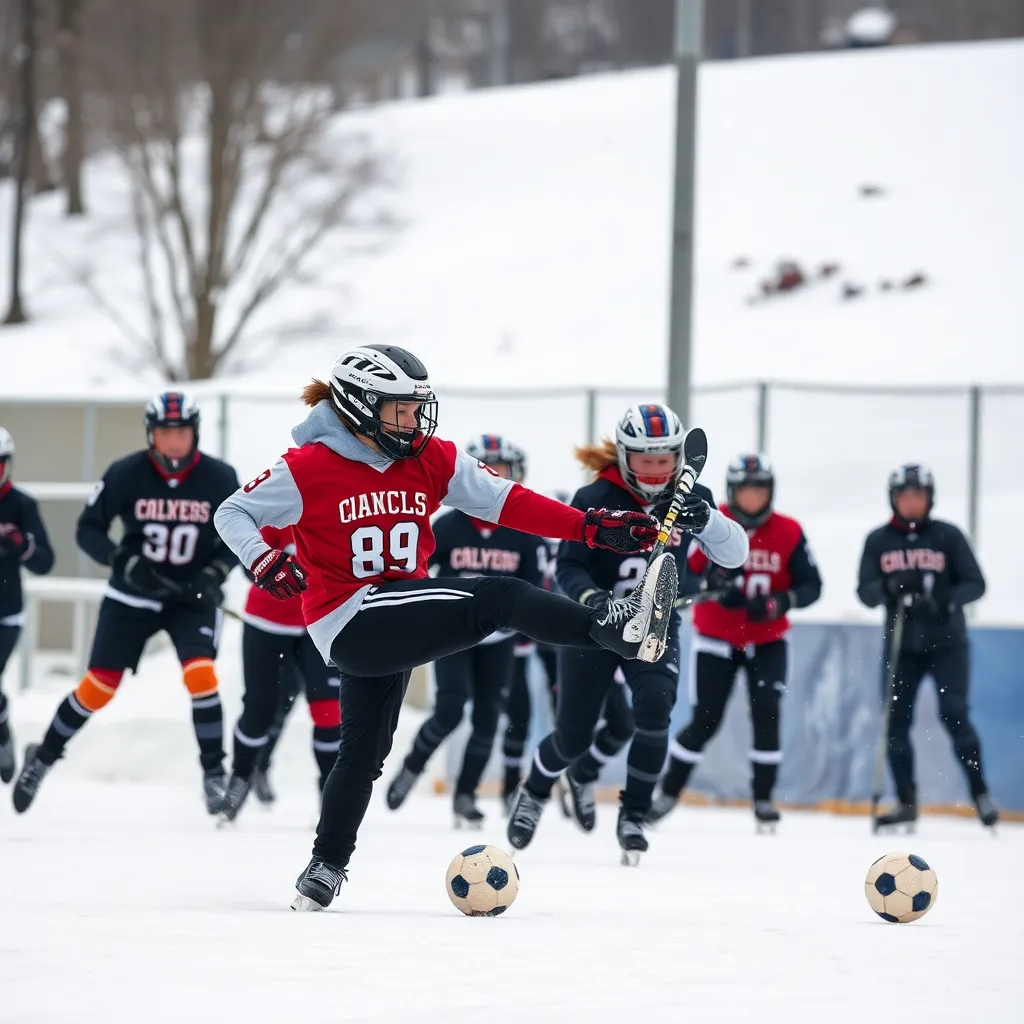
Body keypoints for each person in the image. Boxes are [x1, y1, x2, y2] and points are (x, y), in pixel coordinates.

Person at [213, 344, 677, 911]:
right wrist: (261, 559)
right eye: (400, 410)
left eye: (417, 408)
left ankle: (324, 869)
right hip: (350, 616)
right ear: (360, 406)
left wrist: (590, 528)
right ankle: (612, 629)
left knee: (362, 754)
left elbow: (508, 502)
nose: (413, 422)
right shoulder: (307, 465)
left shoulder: (431, 458)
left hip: (393, 614)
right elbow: (231, 511)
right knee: (498, 596)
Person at [505, 404, 749, 864]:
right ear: (622, 457)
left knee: (655, 710)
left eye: (664, 460)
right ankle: (536, 789)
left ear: (678, 457)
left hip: (655, 620)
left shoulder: (694, 495)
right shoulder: (593, 495)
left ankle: (634, 814)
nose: (656, 472)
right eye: (644, 461)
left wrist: (711, 522)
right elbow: (568, 565)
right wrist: (595, 600)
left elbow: (735, 555)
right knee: (573, 737)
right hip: (594, 626)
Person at [12, 392, 240, 815]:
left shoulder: (220, 477)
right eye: (166, 433)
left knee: (202, 676)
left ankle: (213, 774)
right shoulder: (126, 473)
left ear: (196, 433)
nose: (174, 442)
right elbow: (88, 529)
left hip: (190, 598)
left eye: (182, 433)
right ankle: (42, 757)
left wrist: (214, 573)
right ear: (151, 435)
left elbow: (238, 535)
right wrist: (121, 559)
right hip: (132, 595)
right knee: (99, 686)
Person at [647, 454, 822, 831]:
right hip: (716, 637)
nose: (753, 496)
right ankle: (667, 793)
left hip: (767, 638)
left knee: (766, 712)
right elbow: (678, 575)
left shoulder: (789, 530)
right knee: (705, 720)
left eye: (760, 488)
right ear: (732, 491)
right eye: (745, 488)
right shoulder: (711, 519)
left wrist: (781, 602)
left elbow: (812, 585)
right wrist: (711, 588)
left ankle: (763, 799)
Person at [385, 435, 539, 827]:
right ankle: (413, 765)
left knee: (489, 718)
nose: (493, 479)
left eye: (501, 473)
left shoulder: (521, 531)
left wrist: (527, 630)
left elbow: (533, 588)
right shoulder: (450, 525)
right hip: (453, 632)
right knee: (451, 710)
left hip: (499, 639)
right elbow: (416, 568)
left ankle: (466, 796)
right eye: (487, 471)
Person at [856, 463, 996, 829]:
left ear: (929, 499)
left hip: (946, 642)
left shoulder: (948, 537)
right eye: (905, 496)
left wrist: (944, 601)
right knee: (895, 722)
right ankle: (906, 800)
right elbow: (865, 591)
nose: (912, 502)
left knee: (954, 714)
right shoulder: (879, 540)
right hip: (901, 643)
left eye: (918, 495)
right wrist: (888, 588)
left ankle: (980, 792)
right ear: (894, 499)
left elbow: (976, 584)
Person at [220, 524, 342, 822]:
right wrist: (268, 573)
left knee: (329, 710)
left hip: (320, 624)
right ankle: (241, 777)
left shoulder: (337, 506)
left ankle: (332, 793)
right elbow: (246, 559)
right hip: (267, 622)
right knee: (260, 709)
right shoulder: (277, 503)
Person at [0, 427, 55, 782]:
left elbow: (45, 562)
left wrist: (21, 544)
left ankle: (3, 736)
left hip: (6, 611)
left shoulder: (21, 504)